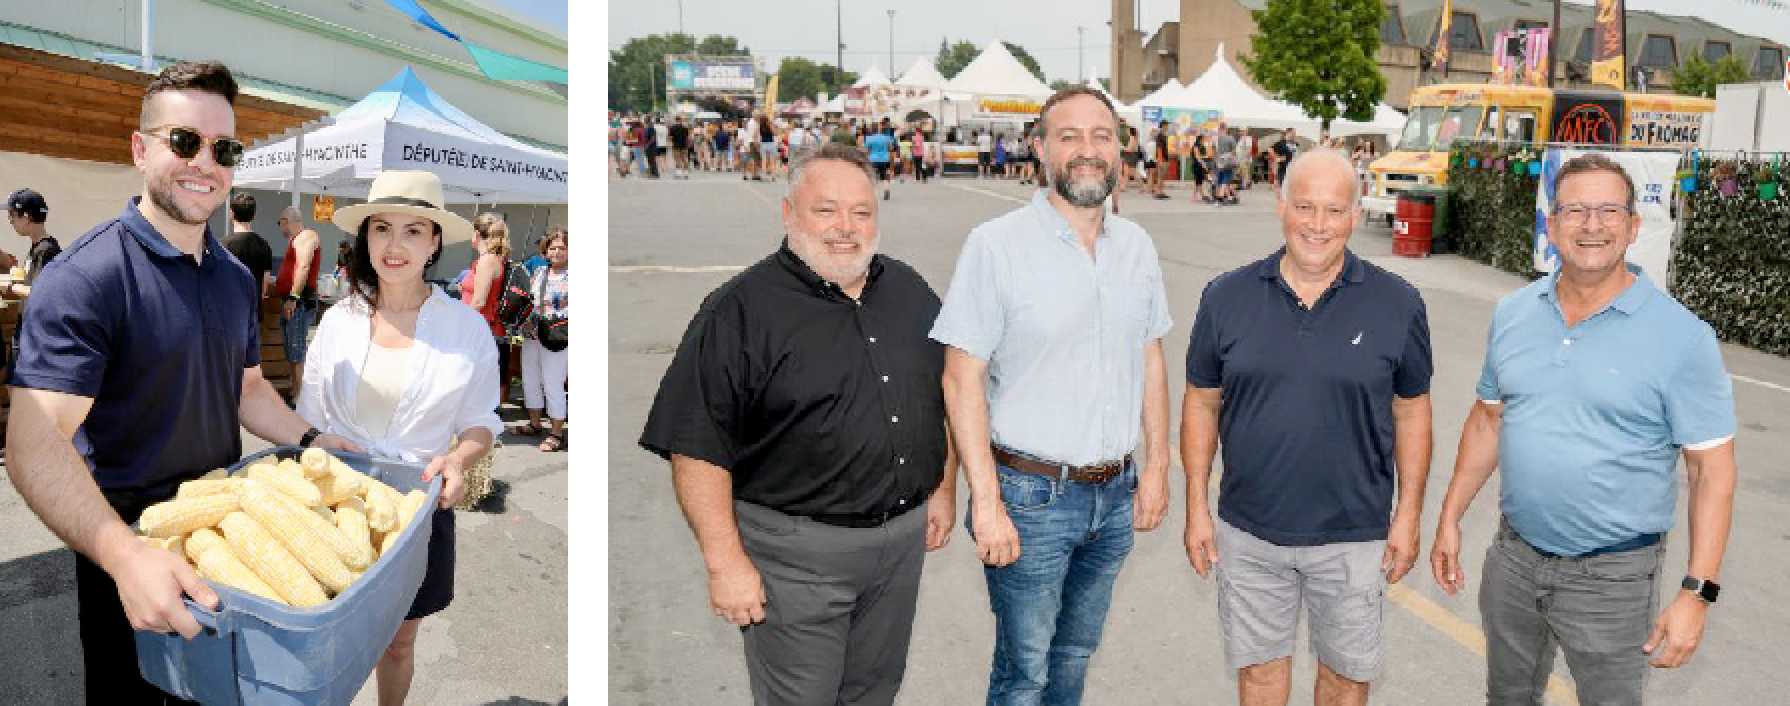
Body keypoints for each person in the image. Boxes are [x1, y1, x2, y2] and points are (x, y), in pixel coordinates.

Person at [4, 59, 360, 704]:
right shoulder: (86, 277)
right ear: (141, 149)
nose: (205, 161)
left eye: (223, 147)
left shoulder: (229, 275)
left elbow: (248, 387)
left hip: (228, 534)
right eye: (185, 140)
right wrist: (123, 557)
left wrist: (312, 437)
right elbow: (33, 443)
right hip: (126, 544)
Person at [640, 143, 958, 705]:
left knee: (872, 693)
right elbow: (697, 447)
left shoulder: (909, 290)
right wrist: (725, 562)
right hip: (795, 558)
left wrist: (943, 488)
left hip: (900, 546)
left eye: (861, 212)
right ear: (789, 213)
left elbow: (944, 395)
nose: (845, 228)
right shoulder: (739, 310)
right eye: (826, 210)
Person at [1429, 153, 1739, 705]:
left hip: (1614, 579)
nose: (1591, 225)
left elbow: (1711, 470)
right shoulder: (1514, 314)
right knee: (1507, 698)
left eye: (1607, 210)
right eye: (1575, 210)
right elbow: (1487, 420)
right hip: (1515, 560)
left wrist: (1697, 592)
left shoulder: (1682, 337)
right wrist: (1450, 516)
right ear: (1551, 225)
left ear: (1633, 225)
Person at [933, 86, 1172, 705]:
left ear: (1119, 149)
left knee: (1074, 655)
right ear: (1040, 148)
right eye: (1069, 137)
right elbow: (960, 378)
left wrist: (1159, 468)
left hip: (1115, 495)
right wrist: (984, 501)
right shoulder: (997, 246)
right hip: (1029, 499)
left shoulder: (1137, 248)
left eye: (1101, 136)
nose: (1087, 151)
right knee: (1026, 671)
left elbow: (1149, 356)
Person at [1182, 149, 1434, 706]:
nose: (1318, 225)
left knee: (1346, 682)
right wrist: (1196, 507)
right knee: (1261, 679)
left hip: (1354, 535)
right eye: (1304, 207)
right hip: (1249, 532)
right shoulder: (1225, 296)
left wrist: (1409, 514)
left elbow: (1412, 409)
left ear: (1354, 214)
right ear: (1281, 206)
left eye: (1333, 210)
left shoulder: (1399, 303)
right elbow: (1201, 402)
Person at [301, 169, 498, 706]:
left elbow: (481, 421)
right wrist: (316, 442)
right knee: (323, 636)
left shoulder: (466, 330)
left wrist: (460, 460)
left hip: (417, 508)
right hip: (333, 506)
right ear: (365, 237)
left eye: (414, 230)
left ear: (435, 243)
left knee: (398, 641)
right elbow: (310, 421)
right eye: (382, 227)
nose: (395, 244)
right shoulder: (337, 322)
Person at [513, 227, 569, 451]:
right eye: (553, 248)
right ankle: (535, 423)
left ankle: (556, 433)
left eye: (562, 248)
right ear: (545, 252)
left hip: (557, 337)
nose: (557, 252)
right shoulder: (539, 273)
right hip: (532, 333)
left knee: (553, 383)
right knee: (530, 379)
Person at [460, 213, 513, 403]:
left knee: (476, 380)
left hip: (481, 327)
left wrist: (459, 323)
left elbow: (479, 301)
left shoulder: (487, 261)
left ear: (476, 234)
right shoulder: (489, 259)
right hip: (484, 326)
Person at [273, 205, 323, 401]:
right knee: (292, 350)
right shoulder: (298, 239)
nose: (280, 228)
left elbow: (303, 267)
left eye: (280, 223)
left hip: (300, 302)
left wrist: (293, 298)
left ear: (286, 221)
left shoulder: (306, 237)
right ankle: (296, 391)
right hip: (294, 301)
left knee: (297, 350)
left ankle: (300, 397)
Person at [5, 188, 63, 300]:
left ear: (27, 218)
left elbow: (40, 293)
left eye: (12, 215)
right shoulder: (39, 247)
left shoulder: (47, 251)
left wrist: (11, 287)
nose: (11, 221)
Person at [222, 192, 273, 301]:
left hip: (230, 308)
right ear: (254, 215)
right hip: (254, 308)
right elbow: (265, 286)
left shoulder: (222, 246)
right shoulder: (264, 245)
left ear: (230, 214)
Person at [864, 125, 896, 201]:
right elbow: (891, 149)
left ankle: (872, 193)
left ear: (871, 130)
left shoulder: (869, 138)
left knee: (872, 176)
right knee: (885, 176)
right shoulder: (886, 138)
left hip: (873, 159)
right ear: (879, 130)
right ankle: (886, 189)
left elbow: (867, 151)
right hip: (885, 159)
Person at [1213, 125, 1239, 205]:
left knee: (1219, 182)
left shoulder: (1216, 139)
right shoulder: (1230, 138)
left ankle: (1225, 198)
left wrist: (1217, 160)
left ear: (1219, 129)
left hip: (1219, 162)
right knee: (1225, 180)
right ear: (1226, 129)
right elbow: (1234, 152)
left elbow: (1214, 152)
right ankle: (1220, 200)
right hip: (1228, 163)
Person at [669, 115, 693, 180]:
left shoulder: (672, 128)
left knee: (677, 159)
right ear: (680, 120)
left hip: (676, 145)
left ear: (675, 120)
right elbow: (688, 137)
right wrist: (689, 144)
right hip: (684, 145)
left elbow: (670, 137)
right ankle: (686, 173)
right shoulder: (685, 128)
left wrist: (670, 143)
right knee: (685, 158)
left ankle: (678, 173)